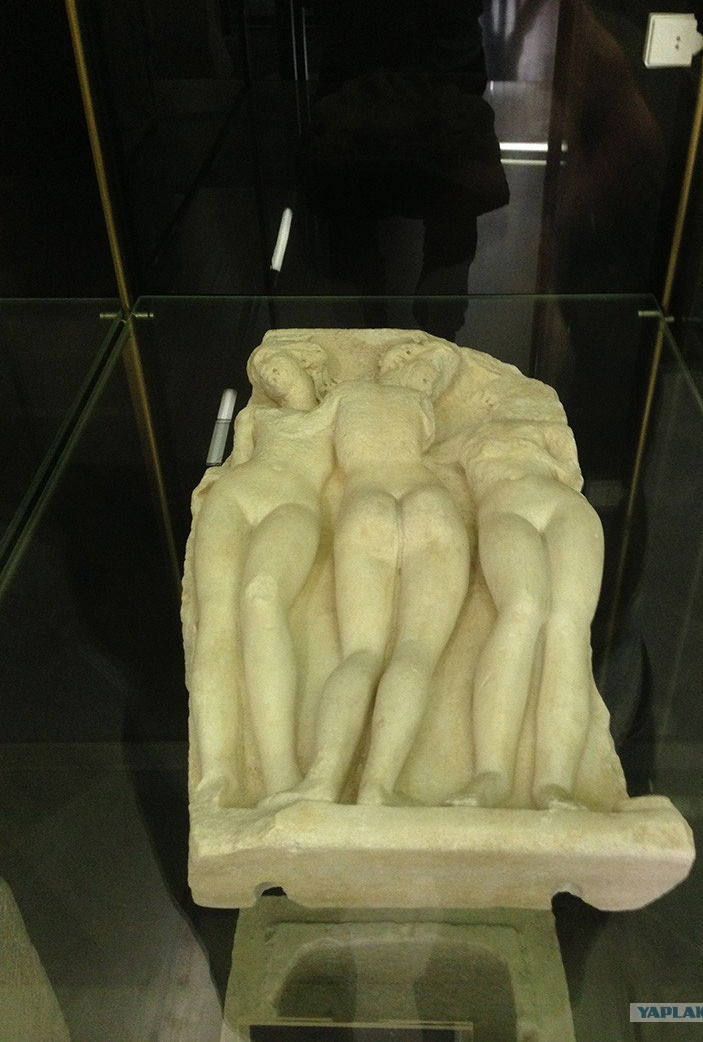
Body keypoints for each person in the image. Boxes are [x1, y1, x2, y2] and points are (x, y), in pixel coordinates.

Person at [271, 337, 471, 807]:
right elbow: (442, 365)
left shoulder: (345, 398)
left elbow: (300, 429)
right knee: (417, 651)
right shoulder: (420, 408)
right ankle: (377, 787)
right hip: (431, 502)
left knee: (360, 654)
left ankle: (322, 781)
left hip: (365, 503)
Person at [186, 339, 335, 806]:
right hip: (235, 497)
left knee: (262, 595)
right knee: (216, 621)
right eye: (262, 369)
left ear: (307, 363)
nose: (271, 373)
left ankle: (280, 775)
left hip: (292, 504)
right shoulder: (254, 418)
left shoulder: (335, 412)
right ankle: (218, 772)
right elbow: (232, 463)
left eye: (276, 362)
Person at [448, 379, 601, 809]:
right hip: (505, 509)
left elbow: (573, 471)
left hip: (565, 507)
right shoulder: (461, 439)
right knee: (522, 609)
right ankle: (492, 773)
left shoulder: (543, 427)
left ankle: (555, 782)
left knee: (568, 626)